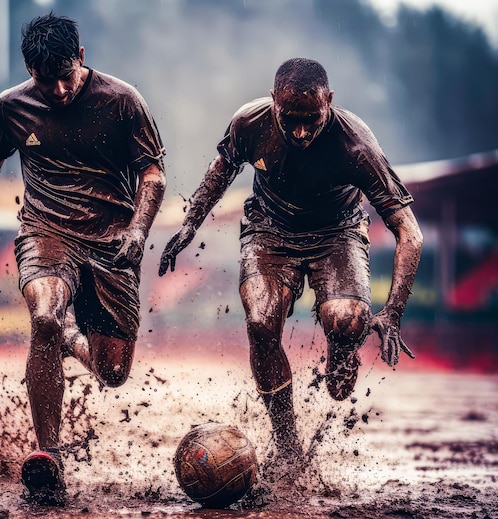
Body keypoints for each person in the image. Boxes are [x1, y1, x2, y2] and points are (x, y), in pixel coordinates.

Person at [0, 13, 166, 505]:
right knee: (44, 314)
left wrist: (138, 229)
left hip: (113, 243)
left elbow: (153, 174)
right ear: (30, 71)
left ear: (82, 58)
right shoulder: (11, 108)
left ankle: (69, 337)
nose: (61, 90)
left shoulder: (123, 101)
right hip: (46, 232)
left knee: (112, 374)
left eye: (67, 75)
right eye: (48, 81)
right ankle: (49, 455)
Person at [159, 58, 422, 465]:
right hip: (269, 230)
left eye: (311, 120)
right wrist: (189, 225)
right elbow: (219, 173)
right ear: (273, 102)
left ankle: (341, 347)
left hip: (337, 233)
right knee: (261, 321)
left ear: (329, 102)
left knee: (348, 321)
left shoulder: (357, 146)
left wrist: (392, 312)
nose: (300, 133)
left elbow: (410, 233)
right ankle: (287, 445)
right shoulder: (249, 124)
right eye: (290, 119)